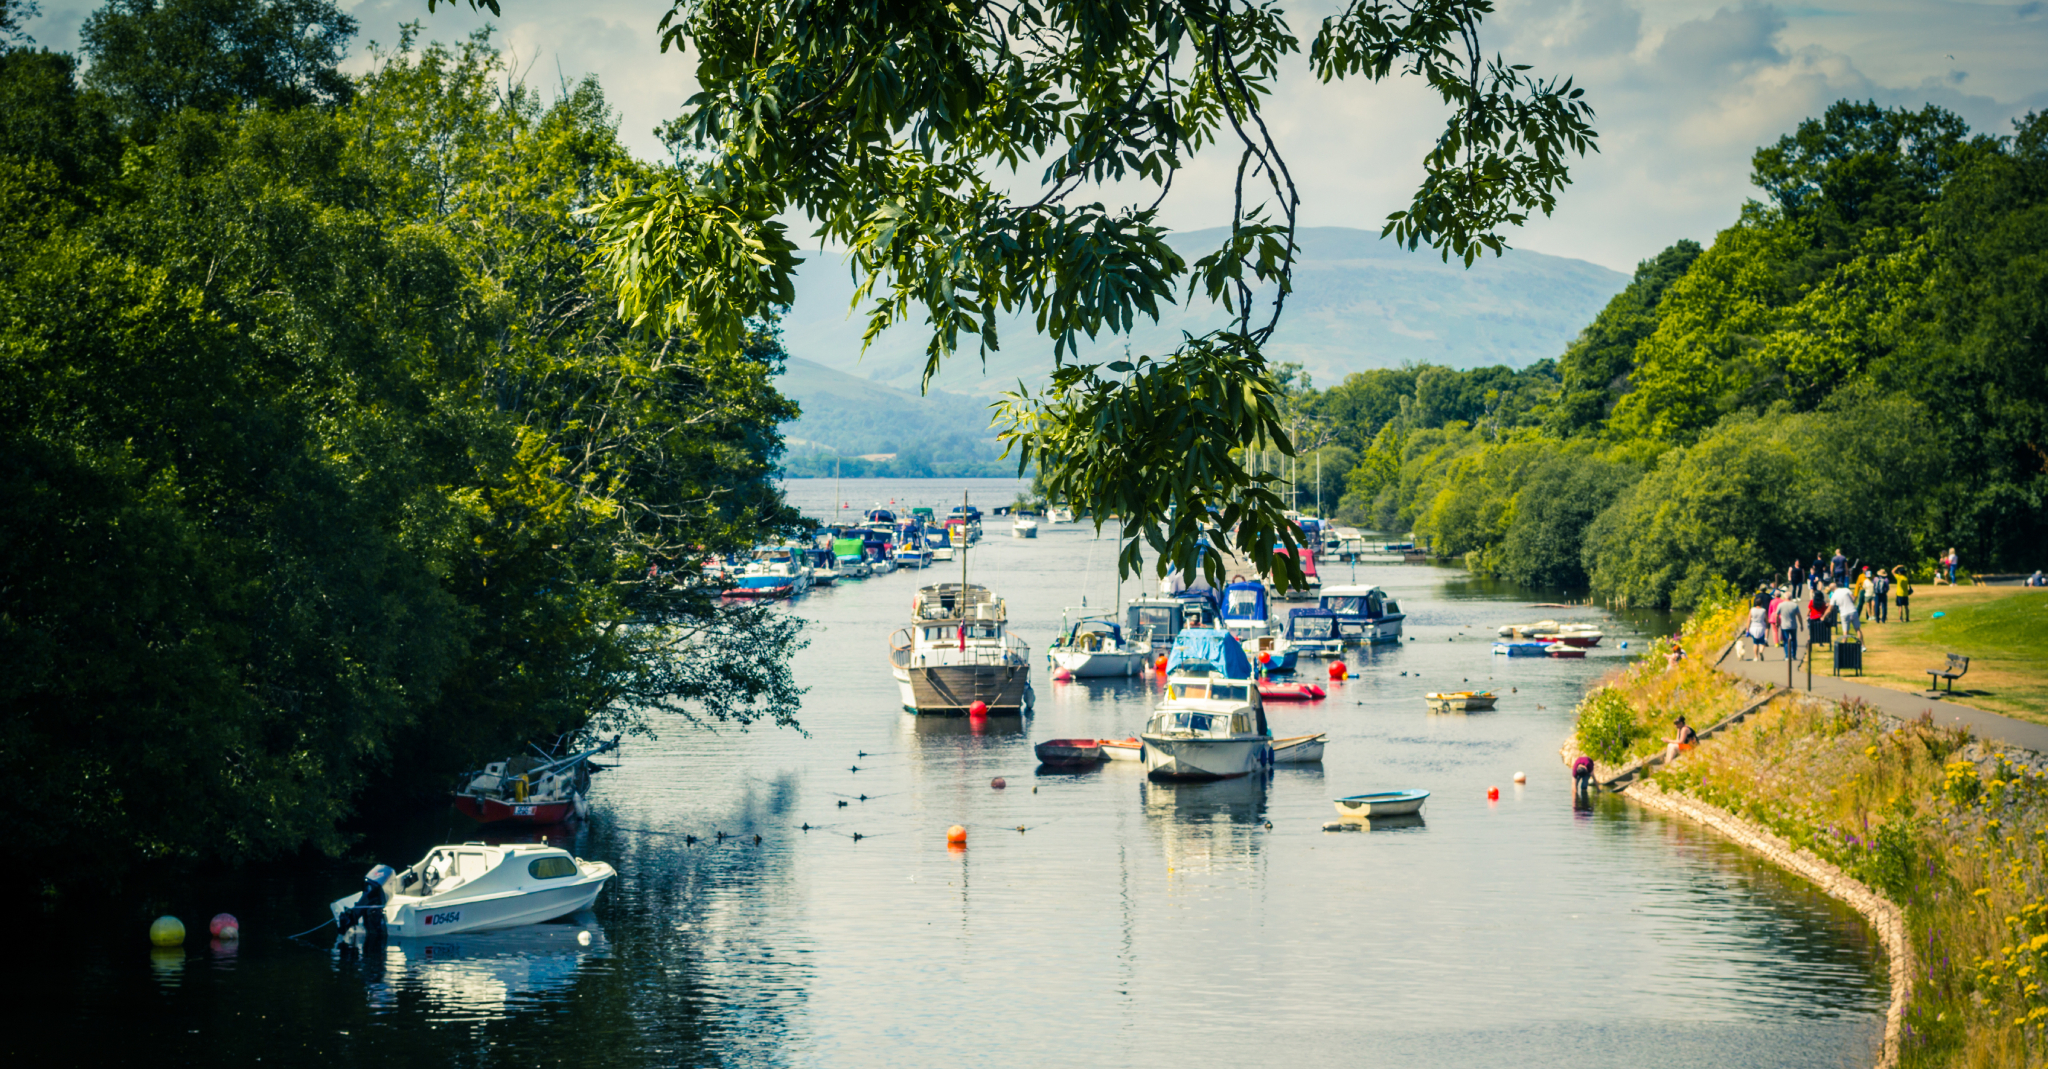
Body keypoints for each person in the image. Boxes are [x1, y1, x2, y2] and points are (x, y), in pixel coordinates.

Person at [1775, 590, 1802, 662]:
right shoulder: (1795, 605)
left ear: (1784, 597)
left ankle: (1787, 656)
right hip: (1793, 625)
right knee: (1794, 640)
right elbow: (1799, 616)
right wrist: (1801, 624)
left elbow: (1777, 615)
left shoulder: (1781, 605)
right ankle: (1793, 655)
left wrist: (1777, 623)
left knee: (1786, 641)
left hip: (1784, 626)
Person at [1744, 593, 1770, 659]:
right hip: (1761, 627)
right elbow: (1766, 620)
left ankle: (1755, 657)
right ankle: (1761, 651)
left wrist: (1747, 628)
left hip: (1753, 627)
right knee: (1762, 642)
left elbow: (1749, 619)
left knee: (1755, 643)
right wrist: (1767, 625)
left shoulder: (1752, 610)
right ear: (1761, 604)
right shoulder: (1763, 610)